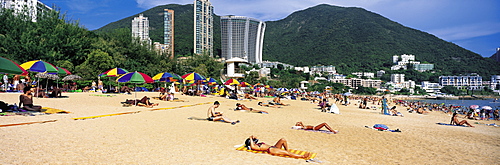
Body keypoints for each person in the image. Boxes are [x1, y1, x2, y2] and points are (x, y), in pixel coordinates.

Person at [245, 135, 311, 159]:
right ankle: (302, 156)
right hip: (271, 150)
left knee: (283, 140)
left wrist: (253, 138)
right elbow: (252, 147)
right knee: (286, 153)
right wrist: (250, 139)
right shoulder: (255, 146)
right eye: (252, 141)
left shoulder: (257, 144)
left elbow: (256, 139)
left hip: (274, 147)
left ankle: (287, 150)